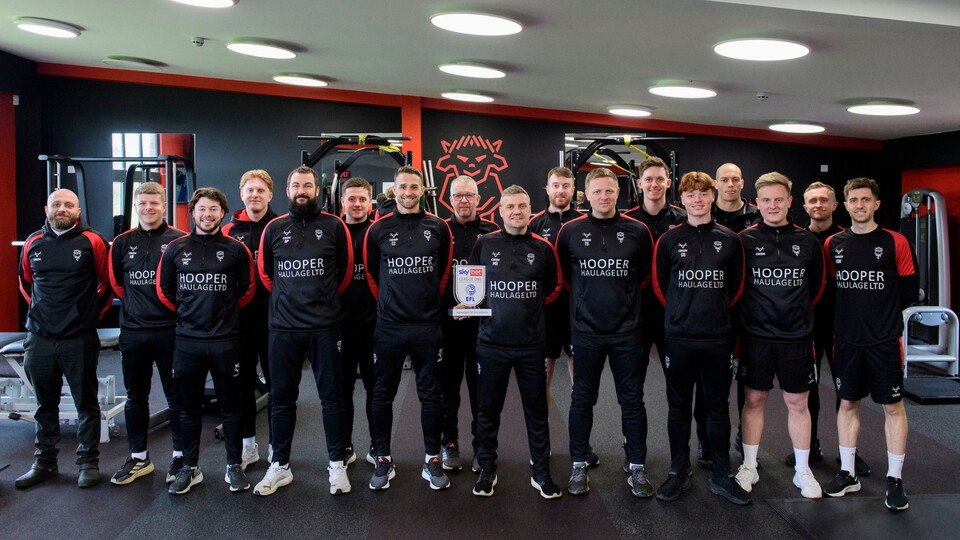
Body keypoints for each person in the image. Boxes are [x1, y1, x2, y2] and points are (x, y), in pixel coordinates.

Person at [252, 166, 353, 496]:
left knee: (332, 398)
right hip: (283, 328)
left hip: (324, 328)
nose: (302, 190)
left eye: (307, 185)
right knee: (281, 400)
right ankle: (279, 465)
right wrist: (287, 303)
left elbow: (345, 272)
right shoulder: (274, 228)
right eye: (296, 185)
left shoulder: (334, 226)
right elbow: (267, 274)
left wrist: (322, 302)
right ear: (287, 189)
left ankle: (337, 463)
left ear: (317, 190)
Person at [557, 168, 655, 498]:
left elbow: (642, 278)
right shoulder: (570, 231)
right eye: (597, 191)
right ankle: (579, 464)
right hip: (586, 332)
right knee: (582, 399)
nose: (604, 196)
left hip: (627, 333)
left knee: (632, 400)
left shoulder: (638, 231)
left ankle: (637, 467)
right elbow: (565, 278)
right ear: (586, 195)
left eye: (610, 191)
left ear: (619, 193)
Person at [652, 171, 749, 505]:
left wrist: (715, 311)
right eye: (690, 195)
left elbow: (736, 288)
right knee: (678, 407)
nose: (697, 199)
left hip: (717, 337)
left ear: (712, 196)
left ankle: (722, 475)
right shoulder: (667, 240)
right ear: (683, 200)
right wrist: (683, 312)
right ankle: (679, 472)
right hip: (678, 337)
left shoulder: (730, 240)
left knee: (718, 408)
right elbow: (660, 286)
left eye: (703, 193)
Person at [823, 177, 917, 512]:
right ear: (845, 205)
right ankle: (847, 472)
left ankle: (894, 478)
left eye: (866, 199)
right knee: (847, 405)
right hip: (846, 341)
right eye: (853, 200)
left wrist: (882, 321)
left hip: (884, 343)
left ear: (876, 204)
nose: (859, 205)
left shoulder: (896, 242)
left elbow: (908, 291)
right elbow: (832, 292)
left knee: (893, 408)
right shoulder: (833, 243)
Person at [465, 185, 562, 498]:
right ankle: (488, 469)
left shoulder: (544, 248)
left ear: (530, 209)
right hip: (491, 342)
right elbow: (471, 285)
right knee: (487, 410)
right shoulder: (484, 243)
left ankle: (540, 471)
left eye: (522, 206)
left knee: (536, 411)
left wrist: (526, 309)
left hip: (531, 345)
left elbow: (553, 288)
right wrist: (474, 308)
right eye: (510, 207)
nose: (516, 211)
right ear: (500, 211)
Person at [157, 187, 255, 495]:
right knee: (188, 408)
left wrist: (221, 313)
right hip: (188, 341)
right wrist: (191, 313)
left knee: (232, 406)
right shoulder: (175, 249)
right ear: (193, 212)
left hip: (226, 341)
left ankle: (234, 465)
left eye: (213, 209)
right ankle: (190, 467)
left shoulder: (236, 250)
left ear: (222, 214)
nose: (207, 214)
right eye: (202, 209)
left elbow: (246, 289)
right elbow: (166, 291)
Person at [733, 173, 825, 499]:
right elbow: (736, 287)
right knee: (754, 400)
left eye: (779, 199)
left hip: (796, 338)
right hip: (756, 337)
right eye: (766, 200)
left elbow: (814, 289)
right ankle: (749, 465)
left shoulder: (807, 242)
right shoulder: (743, 240)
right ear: (757, 203)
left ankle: (803, 470)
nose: (772, 205)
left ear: (789, 201)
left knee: (798, 402)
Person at [363, 166, 453, 491]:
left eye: (414, 186)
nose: (408, 192)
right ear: (394, 190)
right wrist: (390, 306)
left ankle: (431, 458)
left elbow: (442, 275)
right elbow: (374, 275)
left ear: (423, 190)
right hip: (389, 328)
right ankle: (383, 458)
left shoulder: (439, 227)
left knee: (430, 395)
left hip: (427, 327)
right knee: (382, 394)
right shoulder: (378, 230)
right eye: (403, 186)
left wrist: (426, 305)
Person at [15, 189, 112, 489]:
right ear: (47, 208)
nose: (62, 209)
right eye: (57, 204)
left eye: (68, 205)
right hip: (40, 337)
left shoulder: (92, 241)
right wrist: (43, 315)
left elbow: (106, 285)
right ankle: (44, 463)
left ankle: (88, 463)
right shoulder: (33, 242)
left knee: (86, 403)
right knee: (44, 405)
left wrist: (84, 317)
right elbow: (25, 283)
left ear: (77, 210)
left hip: (78, 338)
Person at [626, 157, 713, 469]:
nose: (653, 184)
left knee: (692, 388)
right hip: (636, 319)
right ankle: (633, 450)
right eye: (648, 179)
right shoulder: (627, 222)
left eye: (659, 179)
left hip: (675, 320)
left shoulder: (682, 218)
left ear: (668, 183)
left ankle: (703, 442)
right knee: (632, 390)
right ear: (639, 183)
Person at [789, 183, 871, 476]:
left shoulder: (847, 239)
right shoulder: (795, 238)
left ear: (836, 205)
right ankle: (809, 446)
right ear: (804, 205)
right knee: (807, 391)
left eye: (824, 200)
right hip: (806, 328)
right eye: (813, 200)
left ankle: (848, 452)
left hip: (842, 328)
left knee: (846, 393)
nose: (818, 204)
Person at [108, 182, 187, 486]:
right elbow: (117, 284)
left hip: (171, 331)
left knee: (176, 395)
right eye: (143, 203)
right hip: (134, 332)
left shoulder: (179, 240)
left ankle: (180, 456)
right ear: (136, 207)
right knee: (135, 397)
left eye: (154, 203)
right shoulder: (122, 242)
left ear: (164, 206)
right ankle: (139, 457)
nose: (149, 208)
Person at [529, 167, 598, 467]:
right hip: (545, 312)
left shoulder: (586, 223)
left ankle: (580, 445)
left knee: (580, 382)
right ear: (546, 188)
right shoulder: (534, 223)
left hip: (577, 311)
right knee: (542, 378)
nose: (561, 191)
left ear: (574, 190)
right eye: (555, 185)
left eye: (566, 186)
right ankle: (542, 443)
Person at [439, 176, 499, 471]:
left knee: (481, 393)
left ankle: (481, 447)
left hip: (481, 329)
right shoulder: (439, 230)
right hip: (448, 327)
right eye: (457, 196)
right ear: (449, 200)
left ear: (478, 199)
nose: (463, 201)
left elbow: (499, 278)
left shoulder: (492, 232)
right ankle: (449, 444)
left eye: (469, 196)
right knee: (447, 391)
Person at [222, 169, 277, 470]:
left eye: (260, 190)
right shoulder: (229, 231)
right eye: (249, 190)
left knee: (277, 387)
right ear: (241, 194)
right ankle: (248, 447)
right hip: (239, 321)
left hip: (275, 320)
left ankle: (275, 451)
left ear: (270, 194)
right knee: (241, 386)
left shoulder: (283, 226)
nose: (255, 195)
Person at [338, 177, 378, 467]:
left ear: (371, 201)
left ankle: (378, 446)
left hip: (376, 325)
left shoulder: (379, 231)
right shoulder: (331, 230)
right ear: (343, 202)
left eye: (362, 199)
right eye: (352, 199)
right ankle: (344, 445)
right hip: (339, 325)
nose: (357, 204)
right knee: (342, 391)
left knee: (377, 391)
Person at [713, 163, 760, 232]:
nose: (730, 184)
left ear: (742, 183)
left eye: (735, 180)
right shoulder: (706, 213)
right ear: (716, 184)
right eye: (724, 180)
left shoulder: (757, 215)